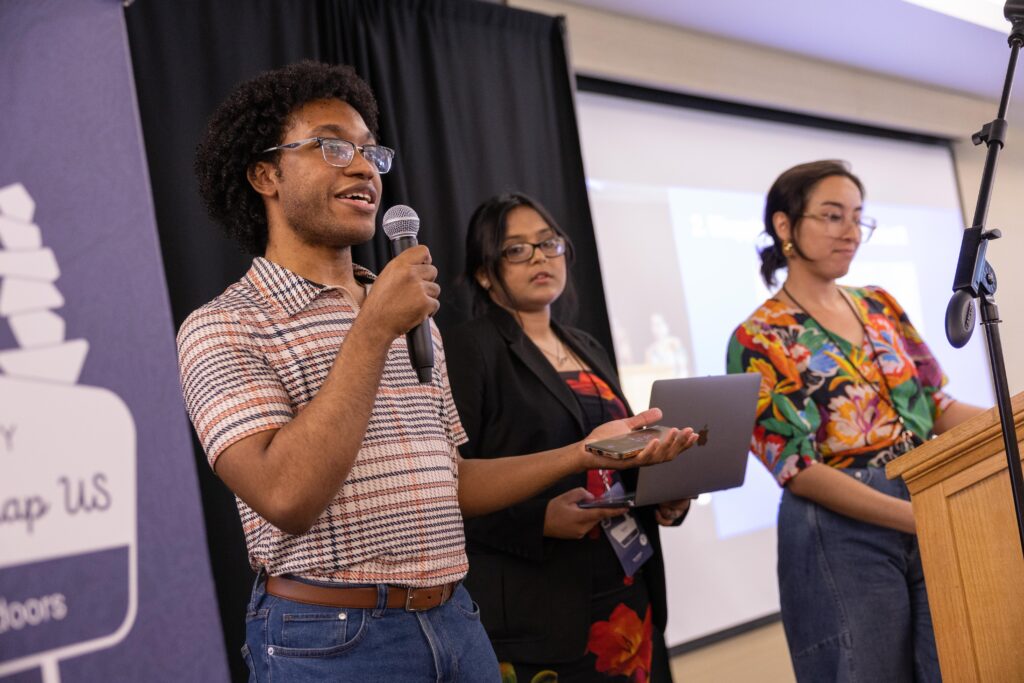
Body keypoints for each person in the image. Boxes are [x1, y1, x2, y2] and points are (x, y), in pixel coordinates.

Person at [177, 61, 695, 682]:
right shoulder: (224, 326)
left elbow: (449, 482)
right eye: (333, 145)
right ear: (265, 173)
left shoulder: (406, 313)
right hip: (332, 639)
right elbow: (286, 496)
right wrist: (372, 331)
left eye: (372, 152)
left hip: (455, 618)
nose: (363, 167)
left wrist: (583, 453)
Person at [726, 160, 984, 682]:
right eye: (831, 216)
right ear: (784, 225)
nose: (850, 232)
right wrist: (920, 518)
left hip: (924, 497)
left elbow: (936, 408)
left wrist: (1011, 420)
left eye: (858, 218)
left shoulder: (880, 305)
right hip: (841, 530)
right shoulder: (759, 336)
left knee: (954, 667)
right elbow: (796, 467)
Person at [445, 193, 695, 683]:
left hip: (626, 587)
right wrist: (538, 520)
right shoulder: (469, 348)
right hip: (539, 606)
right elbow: (443, 486)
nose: (539, 257)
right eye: (516, 249)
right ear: (483, 272)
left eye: (548, 243)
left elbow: (612, 460)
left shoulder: (585, 345)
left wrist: (663, 496)